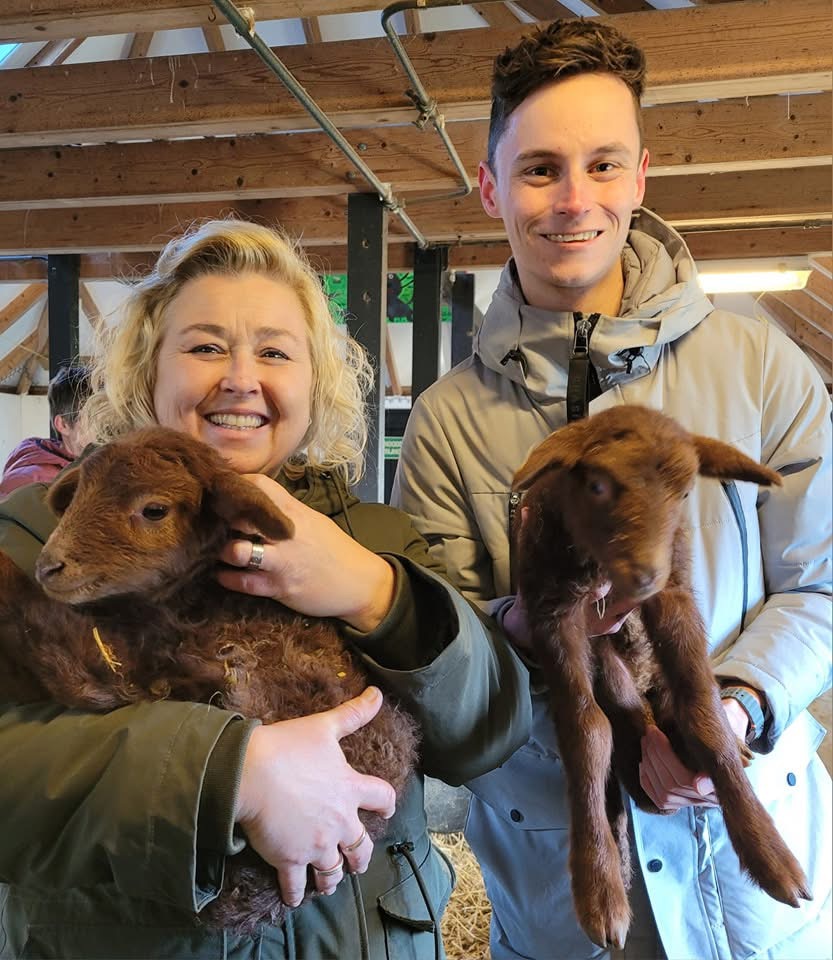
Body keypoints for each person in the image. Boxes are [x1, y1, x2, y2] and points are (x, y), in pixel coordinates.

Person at [393, 19, 832, 960]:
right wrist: (519, 625)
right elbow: (435, 640)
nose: (572, 200)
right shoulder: (448, 419)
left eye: (601, 165)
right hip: (556, 889)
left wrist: (732, 706)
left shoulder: (758, 366)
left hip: (746, 886)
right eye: (540, 168)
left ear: (640, 176)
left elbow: (822, 582)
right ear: (491, 186)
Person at [0, 219, 532, 960]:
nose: (240, 377)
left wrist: (375, 593)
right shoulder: (42, 538)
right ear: (148, 367)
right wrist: (224, 775)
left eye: (275, 352)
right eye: (205, 345)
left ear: (314, 383)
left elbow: (491, 731)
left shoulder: (375, 535)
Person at [0, 363, 91, 497]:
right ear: (63, 425)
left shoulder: (95, 464)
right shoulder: (30, 484)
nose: (106, 427)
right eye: (93, 418)